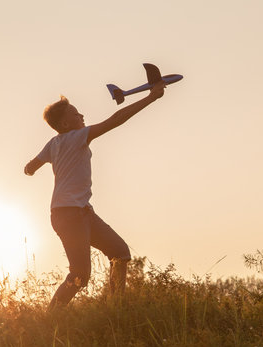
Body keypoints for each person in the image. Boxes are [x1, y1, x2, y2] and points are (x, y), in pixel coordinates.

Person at [24, 81, 166, 311]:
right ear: (65, 123)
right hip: (70, 214)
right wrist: (150, 98)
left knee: (120, 253)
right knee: (80, 274)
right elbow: (116, 120)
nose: (81, 114)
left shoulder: (54, 143)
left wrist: (30, 167)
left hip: (79, 212)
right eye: (75, 112)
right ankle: (50, 320)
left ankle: (115, 310)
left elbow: (31, 166)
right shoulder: (78, 136)